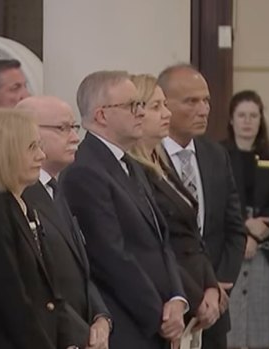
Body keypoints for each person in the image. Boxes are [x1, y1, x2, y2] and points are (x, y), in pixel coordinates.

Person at [62, 70, 187, 349]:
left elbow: (161, 240)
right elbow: (111, 256)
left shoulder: (130, 164)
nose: (141, 112)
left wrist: (178, 299)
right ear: (102, 115)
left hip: (159, 319)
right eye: (133, 106)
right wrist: (159, 317)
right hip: (128, 324)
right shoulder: (85, 169)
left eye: (142, 105)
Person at [0, 108, 89, 349]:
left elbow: (49, 290)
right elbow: (11, 298)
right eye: (32, 148)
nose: (41, 156)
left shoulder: (22, 205)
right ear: (5, 153)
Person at [158, 64, 246, 349]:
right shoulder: (146, 160)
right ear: (165, 104)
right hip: (169, 304)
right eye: (191, 101)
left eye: (206, 100)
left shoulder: (215, 155)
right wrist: (195, 292)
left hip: (215, 308)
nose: (203, 109)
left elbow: (234, 228)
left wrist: (219, 284)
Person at [128, 74, 221, 343]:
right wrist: (193, 295)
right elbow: (157, 245)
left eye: (165, 106)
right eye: (157, 107)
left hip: (195, 296)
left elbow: (192, 236)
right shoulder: (135, 171)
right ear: (136, 113)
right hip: (171, 300)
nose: (166, 113)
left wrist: (211, 286)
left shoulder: (160, 160)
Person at [18, 95, 112, 349]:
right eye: (62, 128)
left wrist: (101, 317)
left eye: (74, 128)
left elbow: (81, 270)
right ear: (28, 132)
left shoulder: (56, 190)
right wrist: (81, 334)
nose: (74, 137)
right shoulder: (21, 196)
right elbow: (38, 285)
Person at [222, 90, 269, 349]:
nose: (247, 121)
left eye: (253, 115)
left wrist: (256, 230)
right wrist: (244, 229)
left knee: (262, 319)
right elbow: (220, 198)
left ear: (261, 119)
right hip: (230, 244)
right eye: (242, 115)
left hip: (266, 244)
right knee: (232, 322)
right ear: (231, 119)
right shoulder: (219, 153)